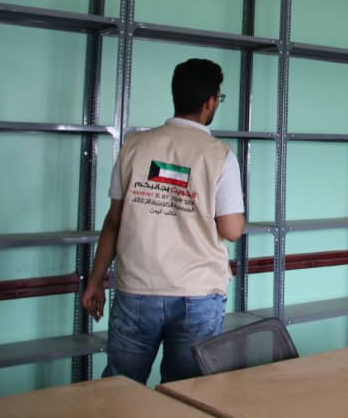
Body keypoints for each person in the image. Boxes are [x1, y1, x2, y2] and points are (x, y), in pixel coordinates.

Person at [81, 58, 245, 383]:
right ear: (210, 102)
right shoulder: (219, 154)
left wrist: (96, 281)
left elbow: (114, 221)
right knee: (189, 392)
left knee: (120, 390)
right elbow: (231, 230)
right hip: (197, 293)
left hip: (136, 289)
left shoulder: (135, 146)